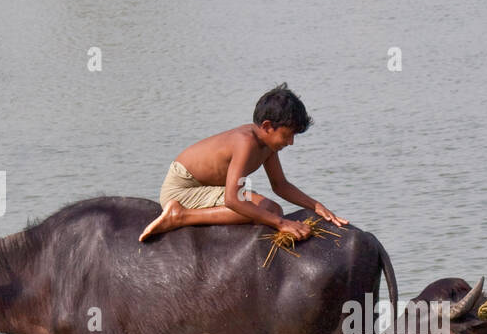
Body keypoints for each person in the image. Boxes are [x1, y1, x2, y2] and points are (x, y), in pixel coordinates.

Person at [140, 84, 347, 242]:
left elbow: (280, 185)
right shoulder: (246, 142)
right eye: (287, 135)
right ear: (267, 126)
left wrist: (316, 206)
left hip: (210, 186)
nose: (290, 142)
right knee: (271, 212)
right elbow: (232, 199)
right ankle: (181, 215)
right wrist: (281, 223)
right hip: (184, 188)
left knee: (269, 208)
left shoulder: (268, 145)